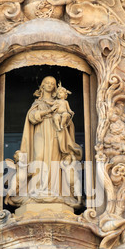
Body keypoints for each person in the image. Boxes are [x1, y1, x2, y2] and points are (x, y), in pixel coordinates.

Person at [12, 76, 82, 204]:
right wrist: (48, 111)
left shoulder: (59, 102)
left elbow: (68, 119)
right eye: (47, 83)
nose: (50, 85)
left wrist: (63, 119)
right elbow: (32, 117)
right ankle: (37, 189)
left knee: (53, 159)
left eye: (52, 83)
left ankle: (53, 189)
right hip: (39, 131)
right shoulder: (37, 103)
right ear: (42, 86)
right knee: (38, 157)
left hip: (55, 132)